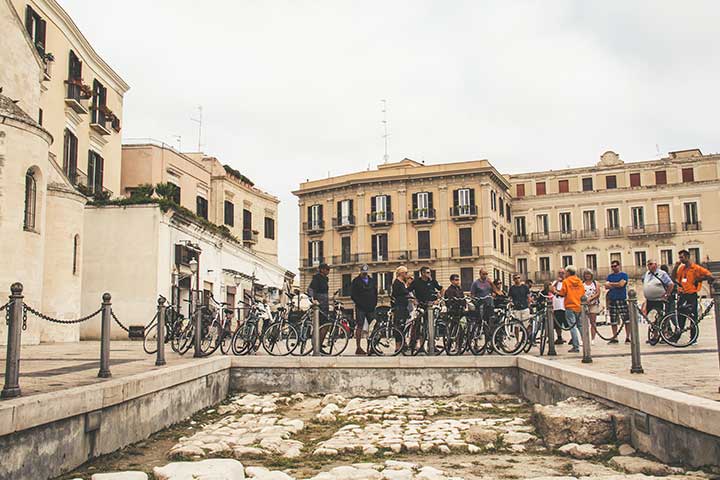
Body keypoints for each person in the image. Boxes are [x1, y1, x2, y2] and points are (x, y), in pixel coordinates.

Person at [673, 249, 713, 327]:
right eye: (679, 257)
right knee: (680, 316)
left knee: (693, 316)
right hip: (682, 295)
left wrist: (699, 279)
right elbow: (673, 277)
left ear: (687, 257)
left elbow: (709, 275)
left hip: (691, 295)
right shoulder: (681, 268)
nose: (680, 259)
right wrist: (675, 267)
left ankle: (693, 336)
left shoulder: (696, 268)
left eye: (682, 257)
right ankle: (678, 333)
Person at [552, 265, 584, 353]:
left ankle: (576, 346)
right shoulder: (579, 281)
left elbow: (562, 293)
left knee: (572, 327)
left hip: (570, 306)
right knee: (580, 326)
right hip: (579, 306)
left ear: (568, 272)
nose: (564, 274)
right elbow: (582, 293)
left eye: (565, 272)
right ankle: (585, 344)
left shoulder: (566, 281)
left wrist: (555, 292)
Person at [350, 264, 377, 355]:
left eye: (366, 273)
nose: (364, 274)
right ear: (360, 272)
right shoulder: (356, 281)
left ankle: (372, 346)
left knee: (374, 326)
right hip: (360, 307)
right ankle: (358, 347)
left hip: (371, 307)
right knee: (360, 326)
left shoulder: (372, 281)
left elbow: (375, 292)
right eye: (363, 273)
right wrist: (359, 303)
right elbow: (353, 295)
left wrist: (374, 303)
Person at [604, 260, 630, 344]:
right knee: (613, 320)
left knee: (626, 320)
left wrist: (611, 284)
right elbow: (606, 286)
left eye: (615, 266)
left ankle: (628, 337)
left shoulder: (624, 275)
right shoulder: (609, 276)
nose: (614, 268)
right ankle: (615, 337)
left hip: (622, 299)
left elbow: (621, 285)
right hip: (612, 299)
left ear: (619, 266)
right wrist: (617, 284)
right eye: (612, 266)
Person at [582, 270, 601, 344]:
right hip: (584, 304)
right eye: (586, 274)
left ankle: (593, 339)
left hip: (593, 303)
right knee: (584, 322)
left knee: (593, 322)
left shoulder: (595, 283)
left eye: (589, 274)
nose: (587, 276)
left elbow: (598, 293)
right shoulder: (582, 283)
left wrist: (591, 298)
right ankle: (584, 338)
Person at [550, 269, 567, 344]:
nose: (561, 274)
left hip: (565, 305)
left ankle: (574, 338)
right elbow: (551, 289)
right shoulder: (555, 282)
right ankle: (559, 337)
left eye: (562, 273)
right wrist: (556, 282)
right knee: (557, 324)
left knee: (569, 323)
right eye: (559, 273)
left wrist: (558, 292)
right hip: (557, 306)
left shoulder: (566, 282)